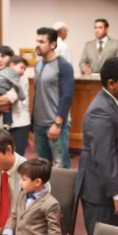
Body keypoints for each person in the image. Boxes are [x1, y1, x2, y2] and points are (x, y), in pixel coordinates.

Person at [76, 56, 118, 235]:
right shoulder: (100, 111)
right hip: (100, 192)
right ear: (111, 83)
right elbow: (103, 157)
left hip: (113, 186)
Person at [32, 27, 74, 169]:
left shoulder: (64, 66)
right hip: (39, 125)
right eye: (37, 41)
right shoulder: (38, 65)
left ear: (53, 45)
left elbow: (67, 97)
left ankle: (63, 192)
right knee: (41, 168)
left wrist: (57, 123)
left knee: (61, 167)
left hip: (56, 125)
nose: (37, 44)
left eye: (42, 42)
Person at [0, 46, 31, 155]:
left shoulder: (20, 76)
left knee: (14, 161)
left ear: (12, 60)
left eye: (3, 56)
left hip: (18, 126)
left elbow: (9, 99)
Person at [0, 56, 28, 130]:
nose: (23, 71)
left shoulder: (0, 72)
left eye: (24, 69)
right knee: (7, 108)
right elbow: (18, 88)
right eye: (21, 68)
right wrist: (23, 100)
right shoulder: (13, 74)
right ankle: (7, 124)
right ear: (12, 65)